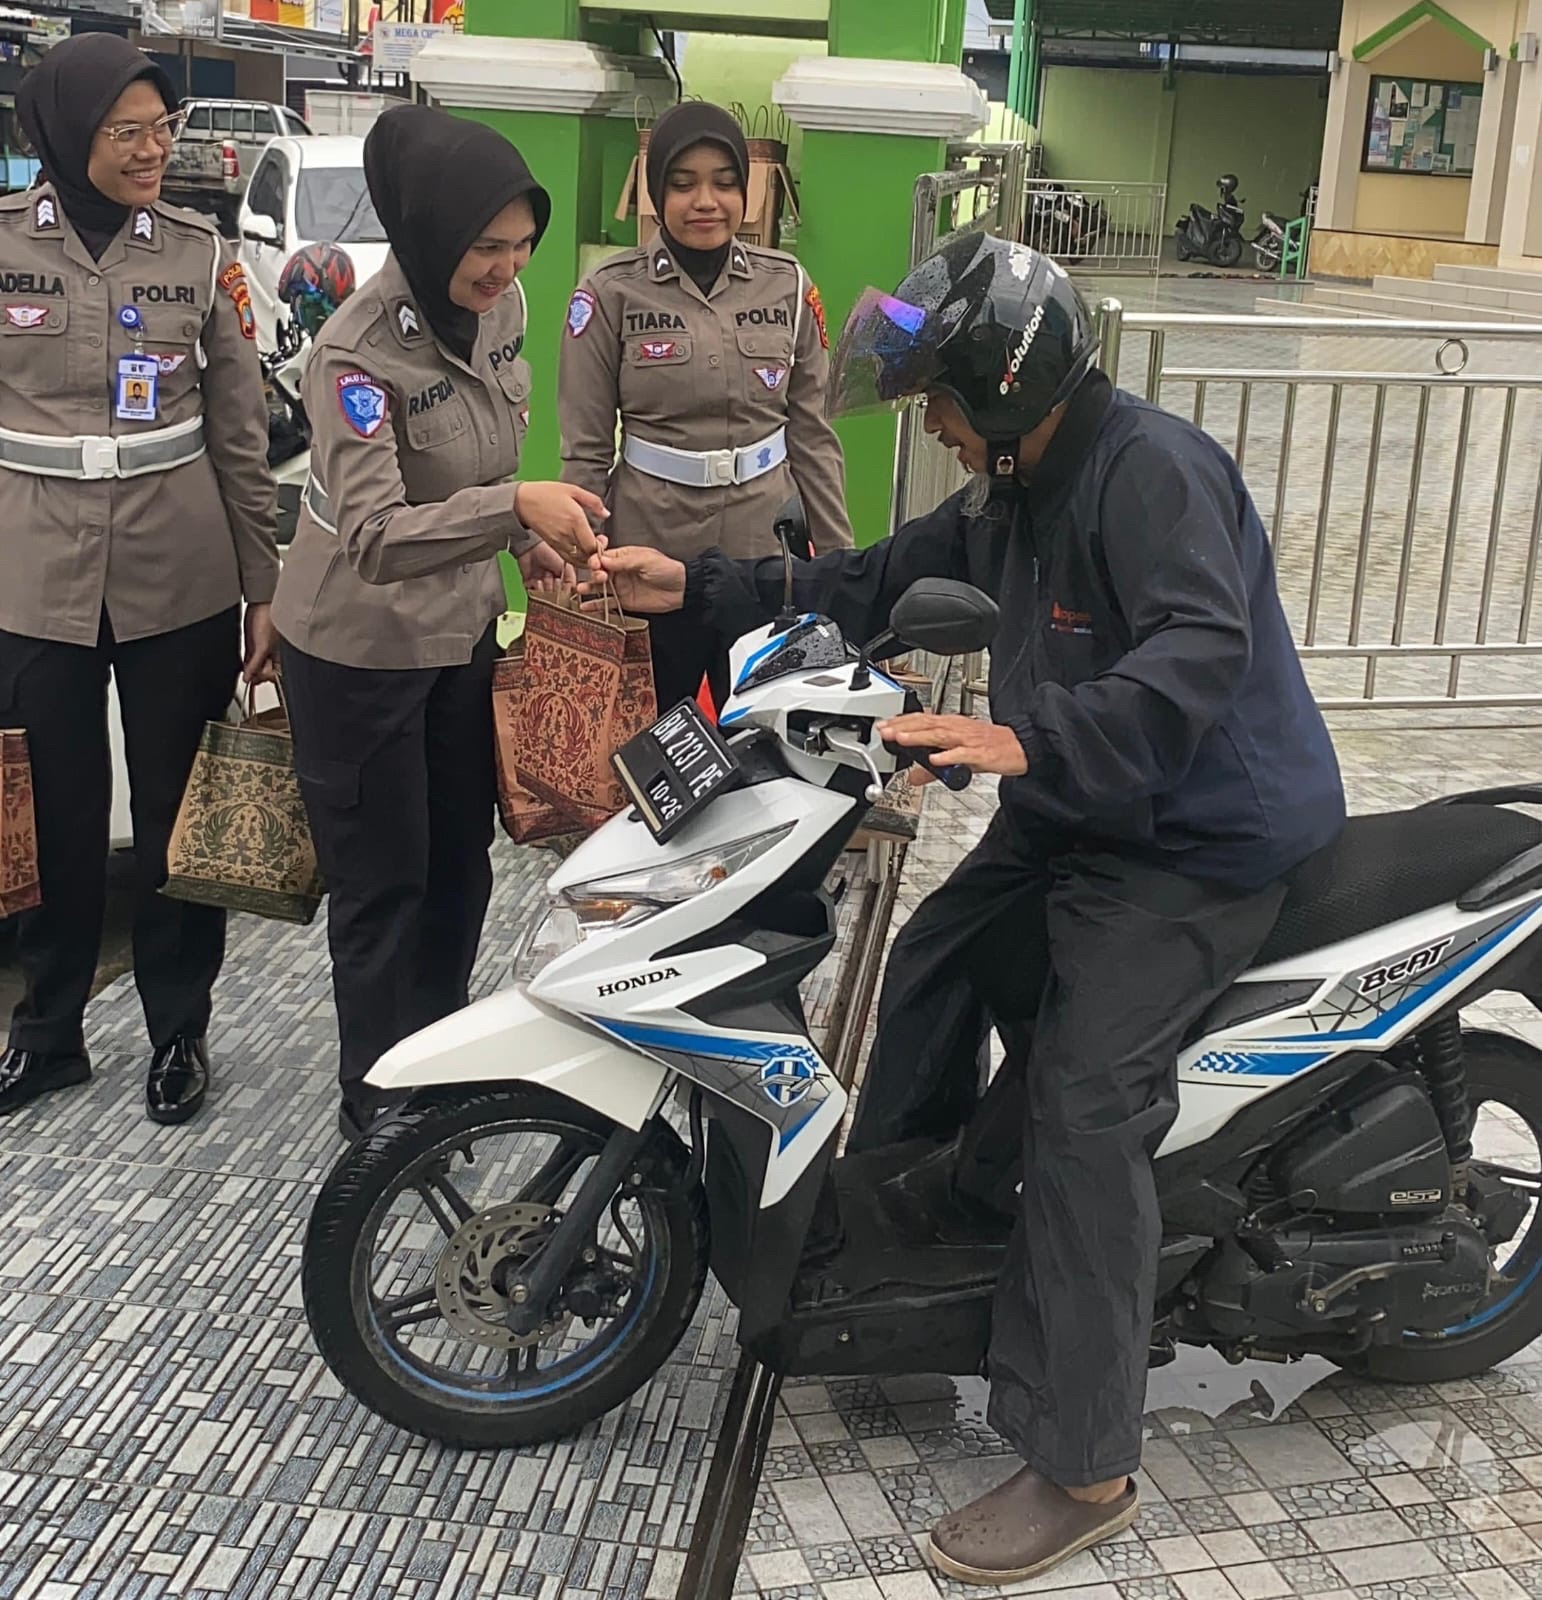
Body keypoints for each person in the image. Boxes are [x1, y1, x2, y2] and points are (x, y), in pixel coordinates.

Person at [593, 235, 1346, 1586]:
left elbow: (1195, 651)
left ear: (1004, 388)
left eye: (939, 399)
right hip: (1083, 813)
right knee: (936, 953)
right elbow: (872, 577)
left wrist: (1032, 740)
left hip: (1191, 843)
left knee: (1084, 1104)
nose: (929, 424)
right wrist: (700, 589)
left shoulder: (1148, 472)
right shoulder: (1013, 483)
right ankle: (909, 1243)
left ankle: (1084, 1461)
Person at [271, 104, 607, 1138]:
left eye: (520, 248)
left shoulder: (500, 315)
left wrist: (525, 540)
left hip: (460, 631)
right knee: (385, 889)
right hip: (358, 649)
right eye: (485, 249)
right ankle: (376, 1107)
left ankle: (437, 1066)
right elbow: (374, 533)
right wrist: (512, 510)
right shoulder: (353, 353)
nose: (505, 271)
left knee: (460, 871)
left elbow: (486, 462)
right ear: (424, 232)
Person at [0, 35, 279, 1126]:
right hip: (29, 569)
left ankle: (178, 1030)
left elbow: (241, 434)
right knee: (51, 811)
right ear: (69, 135)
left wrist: (267, 590)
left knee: (177, 813)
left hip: (179, 567)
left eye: (164, 129)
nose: (155, 149)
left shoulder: (202, 254)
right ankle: (48, 1029)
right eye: (129, 132)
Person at [558, 99, 852, 714]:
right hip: (648, 548)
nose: (705, 202)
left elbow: (812, 436)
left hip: (762, 551)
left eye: (724, 183)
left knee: (766, 736)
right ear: (655, 192)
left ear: (747, 192)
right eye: (683, 184)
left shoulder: (789, 286)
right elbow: (585, 450)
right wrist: (583, 565)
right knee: (648, 736)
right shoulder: (609, 294)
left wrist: (841, 565)